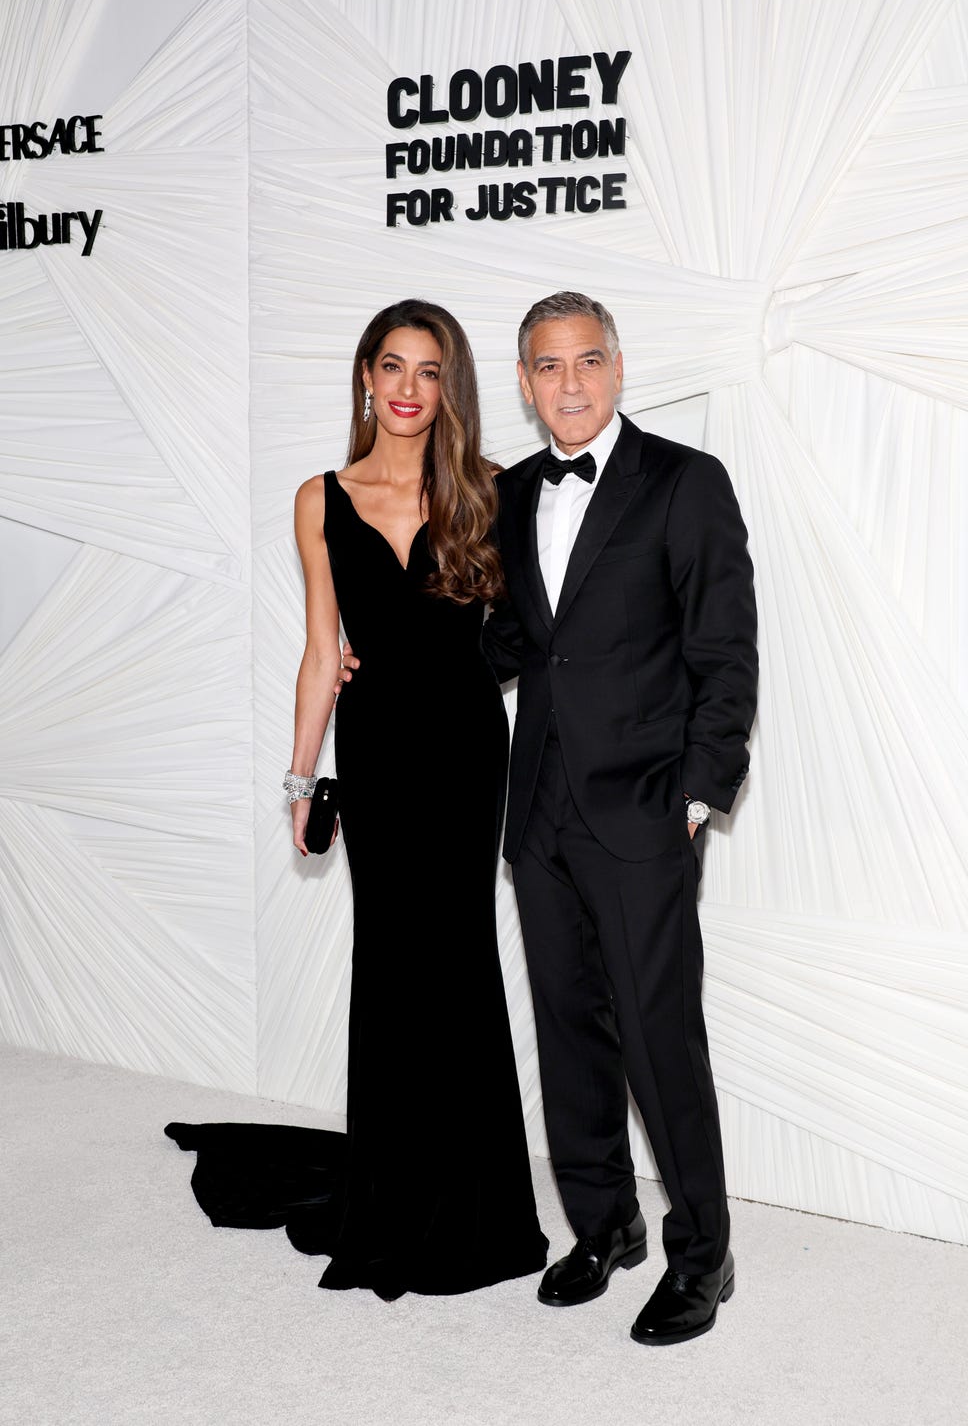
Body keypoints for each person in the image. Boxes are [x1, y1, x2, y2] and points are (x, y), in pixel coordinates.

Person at [167, 299, 547, 1302]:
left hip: (466, 748)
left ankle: (473, 1205)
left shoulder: (490, 491)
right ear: (365, 379)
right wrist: (300, 778)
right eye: (392, 367)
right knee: (388, 959)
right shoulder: (318, 497)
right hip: (373, 749)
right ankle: (388, 1193)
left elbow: (529, 636)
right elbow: (317, 649)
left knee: (458, 959)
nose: (409, 389)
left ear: (447, 386)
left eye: (428, 371)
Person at [481, 291, 758, 1344]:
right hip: (539, 809)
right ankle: (602, 1227)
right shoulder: (511, 491)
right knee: (566, 1031)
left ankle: (703, 1252)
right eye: (547, 367)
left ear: (617, 365)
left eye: (586, 361)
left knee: (658, 1039)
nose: (569, 384)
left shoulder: (684, 483)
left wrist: (695, 794)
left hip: (644, 809)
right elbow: (513, 642)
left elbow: (723, 651)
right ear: (523, 381)